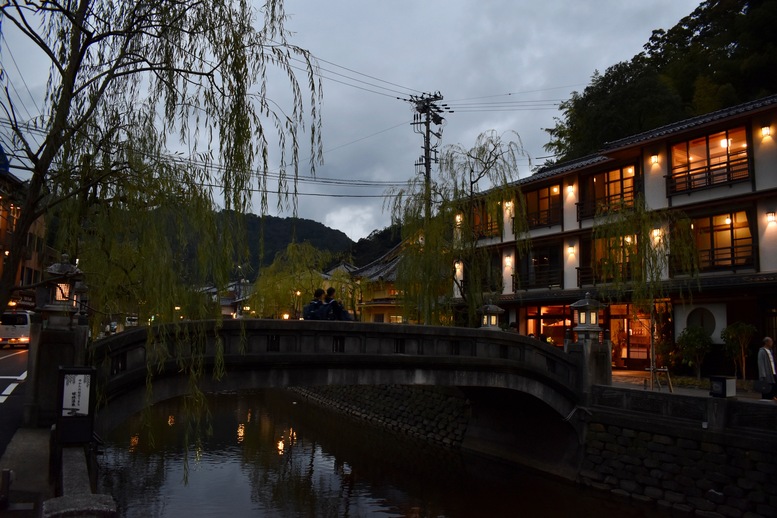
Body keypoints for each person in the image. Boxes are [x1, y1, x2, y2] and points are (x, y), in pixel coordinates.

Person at [756, 336, 777, 401]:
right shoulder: (762, 351)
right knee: (766, 390)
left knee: (773, 388)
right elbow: (761, 364)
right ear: (766, 342)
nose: (772, 343)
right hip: (766, 375)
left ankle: (772, 399)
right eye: (771, 342)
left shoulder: (770, 351)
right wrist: (763, 375)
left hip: (773, 373)